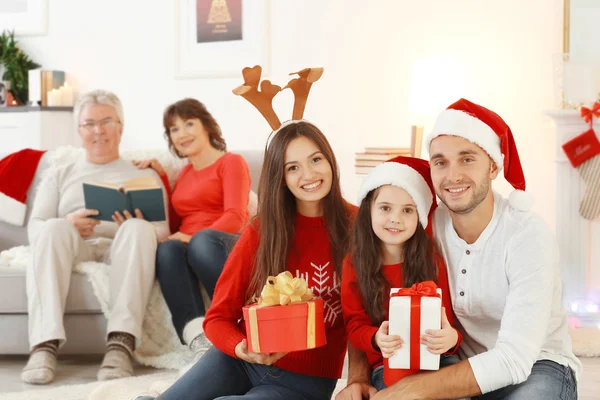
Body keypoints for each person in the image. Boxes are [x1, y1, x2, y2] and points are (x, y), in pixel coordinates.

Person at [370, 98, 582, 399]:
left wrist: (413, 389)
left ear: (494, 166)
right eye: (441, 162)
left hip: (537, 366)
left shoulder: (527, 236)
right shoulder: (424, 224)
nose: (452, 175)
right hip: (460, 364)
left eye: (467, 159)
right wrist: (356, 377)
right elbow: (364, 287)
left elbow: (514, 358)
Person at [139, 120, 356, 400]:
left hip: (304, 383)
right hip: (237, 362)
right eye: (293, 167)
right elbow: (217, 318)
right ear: (281, 176)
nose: (309, 174)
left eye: (316, 159)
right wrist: (241, 347)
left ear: (330, 160)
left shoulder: (359, 226)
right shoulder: (262, 230)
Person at [21, 90, 169, 384]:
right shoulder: (59, 172)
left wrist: (133, 225)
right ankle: (44, 345)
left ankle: (121, 343)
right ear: (79, 130)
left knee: (139, 228)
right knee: (53, 227)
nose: (98, 131)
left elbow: (163, 232)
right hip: (75, 248)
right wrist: (68, 223)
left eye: (106, 122)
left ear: (121, 128)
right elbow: (35, 228)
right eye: (89, 123)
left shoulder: (144, 174)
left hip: (122, 250)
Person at [135, 98, 251, 353]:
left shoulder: (230, 162)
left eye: (188, 124)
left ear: (206, 126)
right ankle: (197, 338)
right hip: (193, 243)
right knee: (167, 250)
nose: (182, 134)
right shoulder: (185, 174)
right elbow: (177, 223)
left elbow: (236, 216)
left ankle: (237, 324)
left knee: (200, 242)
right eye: (174, 129)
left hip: (219, 243)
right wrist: (161, 179)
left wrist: (191, 237)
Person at [342, 156, 462, 391]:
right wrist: (376, 338)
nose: (395, 218)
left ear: (419, 217)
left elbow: (447, 322)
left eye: (408, 210)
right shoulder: (354, 264)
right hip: (388, 364)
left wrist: (451, 339)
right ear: (369, 211)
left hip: (439, 363)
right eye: (385, 208)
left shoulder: (432, 259)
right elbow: (355, 325)